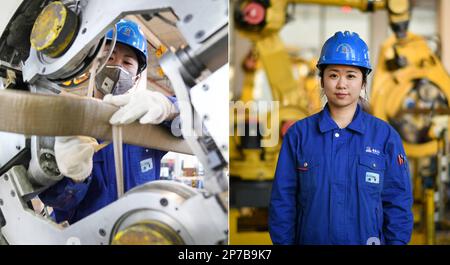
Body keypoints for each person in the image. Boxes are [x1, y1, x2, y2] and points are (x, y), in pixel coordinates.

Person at [268, 31, 413, 245]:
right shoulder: (299, 135)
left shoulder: (385, 137)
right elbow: (283, 202)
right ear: (322, 80)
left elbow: (398, 204)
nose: (341, 84)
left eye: (351, 76)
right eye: (334, 75)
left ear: (363, 82)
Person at [39, 19, 178, 224]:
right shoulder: (71, 120)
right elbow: (57, 202)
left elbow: (200, 125)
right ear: (93, 64)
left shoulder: (147, 122)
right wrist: (74, 176)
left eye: (128, 62)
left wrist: (170, 108)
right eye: (109, 56)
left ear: (137, 77)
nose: (117, 66)